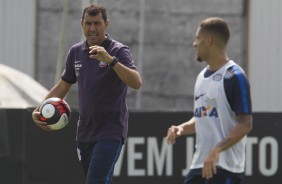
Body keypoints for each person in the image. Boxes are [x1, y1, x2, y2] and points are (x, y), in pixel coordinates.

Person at [32, 3, 142, 184]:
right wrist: (39, 110)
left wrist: (110, 60)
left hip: (110, 131)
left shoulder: (117, 51)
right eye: (88, 23)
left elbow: (136, 82)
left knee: (95, 181)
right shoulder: (76, 52)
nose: (92, 29)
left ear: (106, 24)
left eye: (97, 23)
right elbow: (63, 85)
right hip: (84, 132)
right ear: (81, 23)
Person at [166, 17, 253, 184]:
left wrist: (216, 150)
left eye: (197, 38)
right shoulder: (201, 77)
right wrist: (181, 128)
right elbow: (202, 116)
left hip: (224, 167)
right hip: (199, 164)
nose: (194, 44)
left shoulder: (235, 76)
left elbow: (246, 124)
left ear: (209, 41)